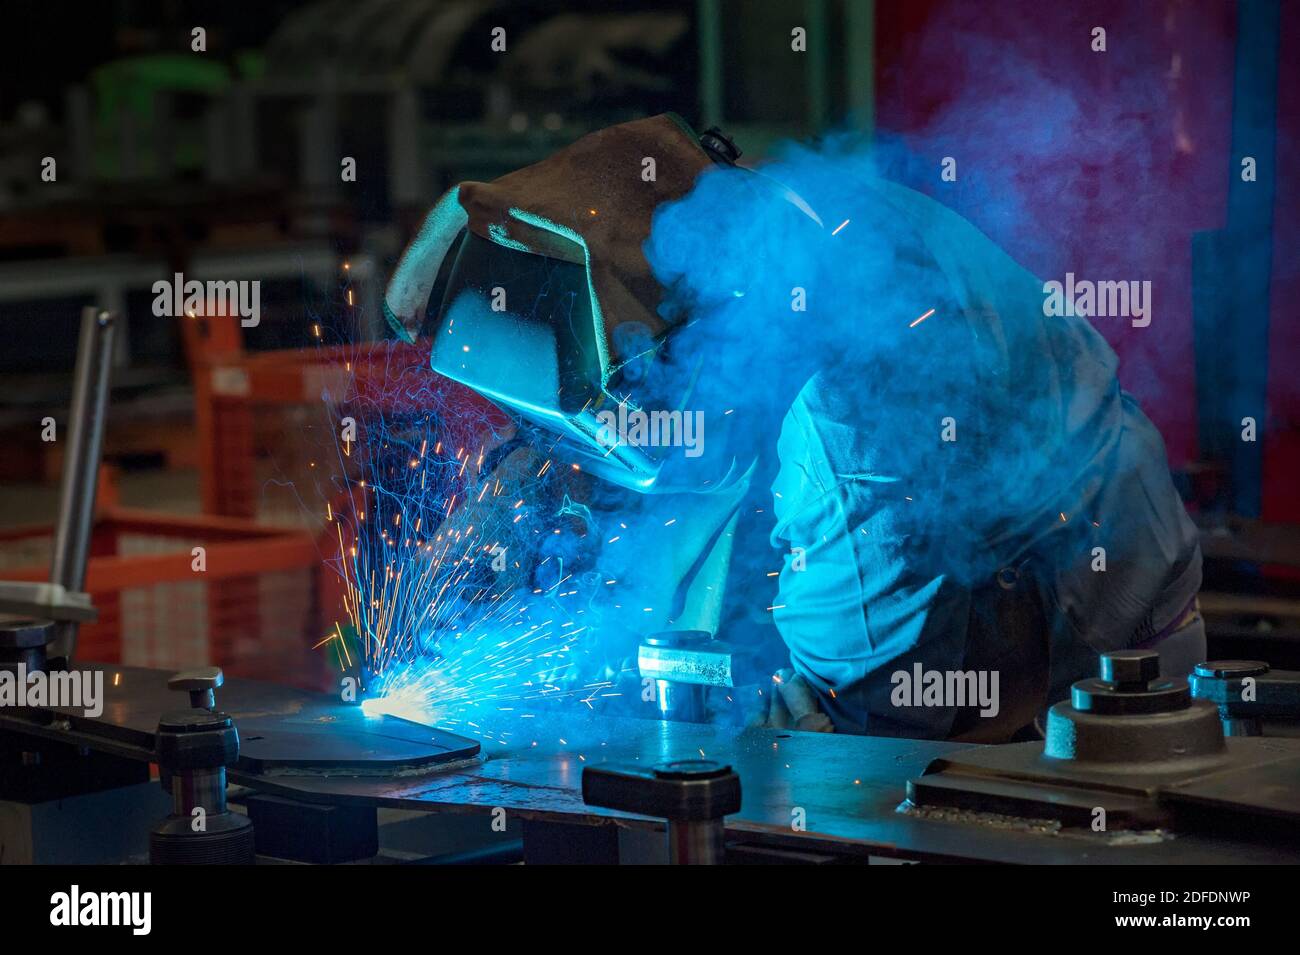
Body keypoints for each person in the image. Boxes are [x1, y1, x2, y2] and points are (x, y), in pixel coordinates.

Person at [383, 113, 1203, 740]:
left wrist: (774, 745)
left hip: (1082, 652)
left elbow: (870, 717)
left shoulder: (859, 393)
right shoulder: (716, 253)